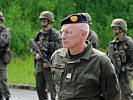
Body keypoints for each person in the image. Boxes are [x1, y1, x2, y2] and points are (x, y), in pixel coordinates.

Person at [51, 13, 121, 100]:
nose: (63, 37)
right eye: (62, 32)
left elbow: (113, 96)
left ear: (83, 35)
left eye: (68, 32)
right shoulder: (57, 56)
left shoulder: (100, 61)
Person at [30, 11, 62, 100]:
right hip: (39, 64)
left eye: (45, 19)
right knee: (39, 88)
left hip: (51, 65)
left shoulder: (56, 35)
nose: (43, 21)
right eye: (42, 20)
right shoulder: (39, 34)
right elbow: (33, 46)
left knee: (53, 89)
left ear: (50, 21)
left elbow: (59, 51)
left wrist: (50, 62)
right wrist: (36, 54)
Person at [107, 18, 133, 100]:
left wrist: (124, 68)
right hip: (114, 72)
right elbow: (108, 57)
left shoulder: (129, 42)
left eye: (115, 28)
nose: (113, 30)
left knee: (126, 93)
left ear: (121, 29)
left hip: (125, 73)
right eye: (113, 28)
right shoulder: (112, 43)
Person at [0, 11, 12, 100]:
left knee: (3, 80)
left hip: (1, 58)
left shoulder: (5, 31)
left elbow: (2, 42)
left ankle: (7, 97)